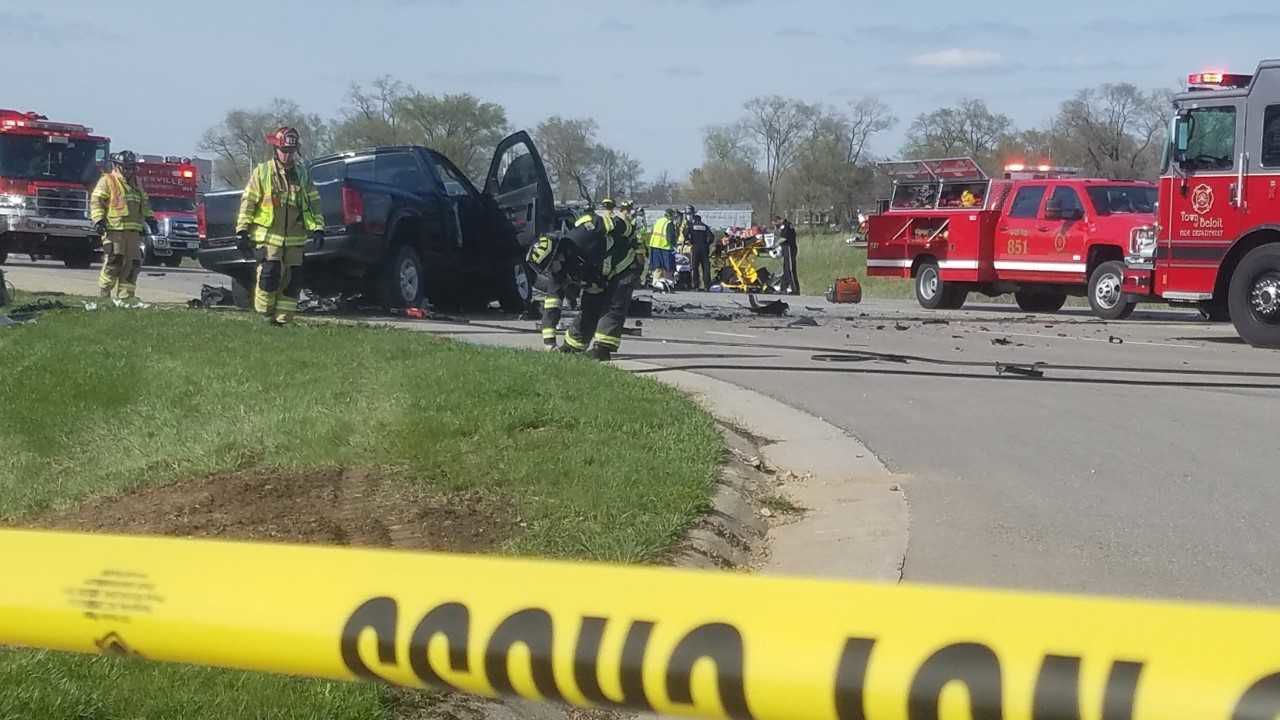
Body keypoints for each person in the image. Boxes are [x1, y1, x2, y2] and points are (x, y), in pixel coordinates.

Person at [235, 127, 324, 325]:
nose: (287, 155)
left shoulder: (302, 174)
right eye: (284, 150)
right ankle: (265, 316)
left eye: (291, 151)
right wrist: (242, 230)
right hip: (269, 238)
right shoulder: (263, 172)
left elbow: (313, 204)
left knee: (293, 282)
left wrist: (318, 228)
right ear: (276, 149)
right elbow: (248, 202)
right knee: (270, 276)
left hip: (295, 238)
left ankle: (283, 321)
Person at [528, 210, 639, 361]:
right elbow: (551, 306)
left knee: (613, 305)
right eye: (548, 269)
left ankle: (602, 349)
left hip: (624, 265)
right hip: (598, 279)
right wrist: (549, 343)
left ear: (558, 254)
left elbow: (611, 223)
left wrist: (633, 239)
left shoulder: (582, 236)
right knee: (589, 309)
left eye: (551, 265)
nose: (552, 271)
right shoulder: (557, 272)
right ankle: (573, 345)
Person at [91, 150, 158, 305]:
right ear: (117, 166)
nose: (128, 171)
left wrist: (150, 219)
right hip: (114, 230)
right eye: (125, 167)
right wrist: (98, 220)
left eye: (131, 167)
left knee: (133, 264)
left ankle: (126, 297)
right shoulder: (107, 180)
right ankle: (104, 294)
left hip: (133, 232)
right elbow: (96, 202)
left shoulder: (136, 183)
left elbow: (144, 202)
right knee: (114, 262)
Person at [647, 208, 677, 289]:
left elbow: (652, 231)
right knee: (668, 267)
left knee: (657, 266)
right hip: (665, 247)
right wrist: (674, 246)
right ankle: (669, 284)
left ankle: (655, 282)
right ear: (671, 215)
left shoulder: (658, 221)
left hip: (654, 245)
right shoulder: (669, 223)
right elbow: (670, 237)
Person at [685, 213, 713, 291]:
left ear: (694, 219)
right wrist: (707, 244)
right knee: (706, 268)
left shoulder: (691, 226)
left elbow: (685, 234)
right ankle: (707, 286)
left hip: (695, 248)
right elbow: (711, 237)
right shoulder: (705, 226)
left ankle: (696, 286)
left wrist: (690, 241)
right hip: (704, 248)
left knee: (695, 267)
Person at [774, 216, 799, 295]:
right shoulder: (784, 226)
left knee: (790, 270)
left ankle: (795, 289)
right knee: (786, 269)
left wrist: (776, 243)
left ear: (778, 220)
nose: (776, 226)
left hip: (789, 249)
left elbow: (784, 238)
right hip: (786, 250)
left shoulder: (787, 225)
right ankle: (783, 288)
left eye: (776, 223)